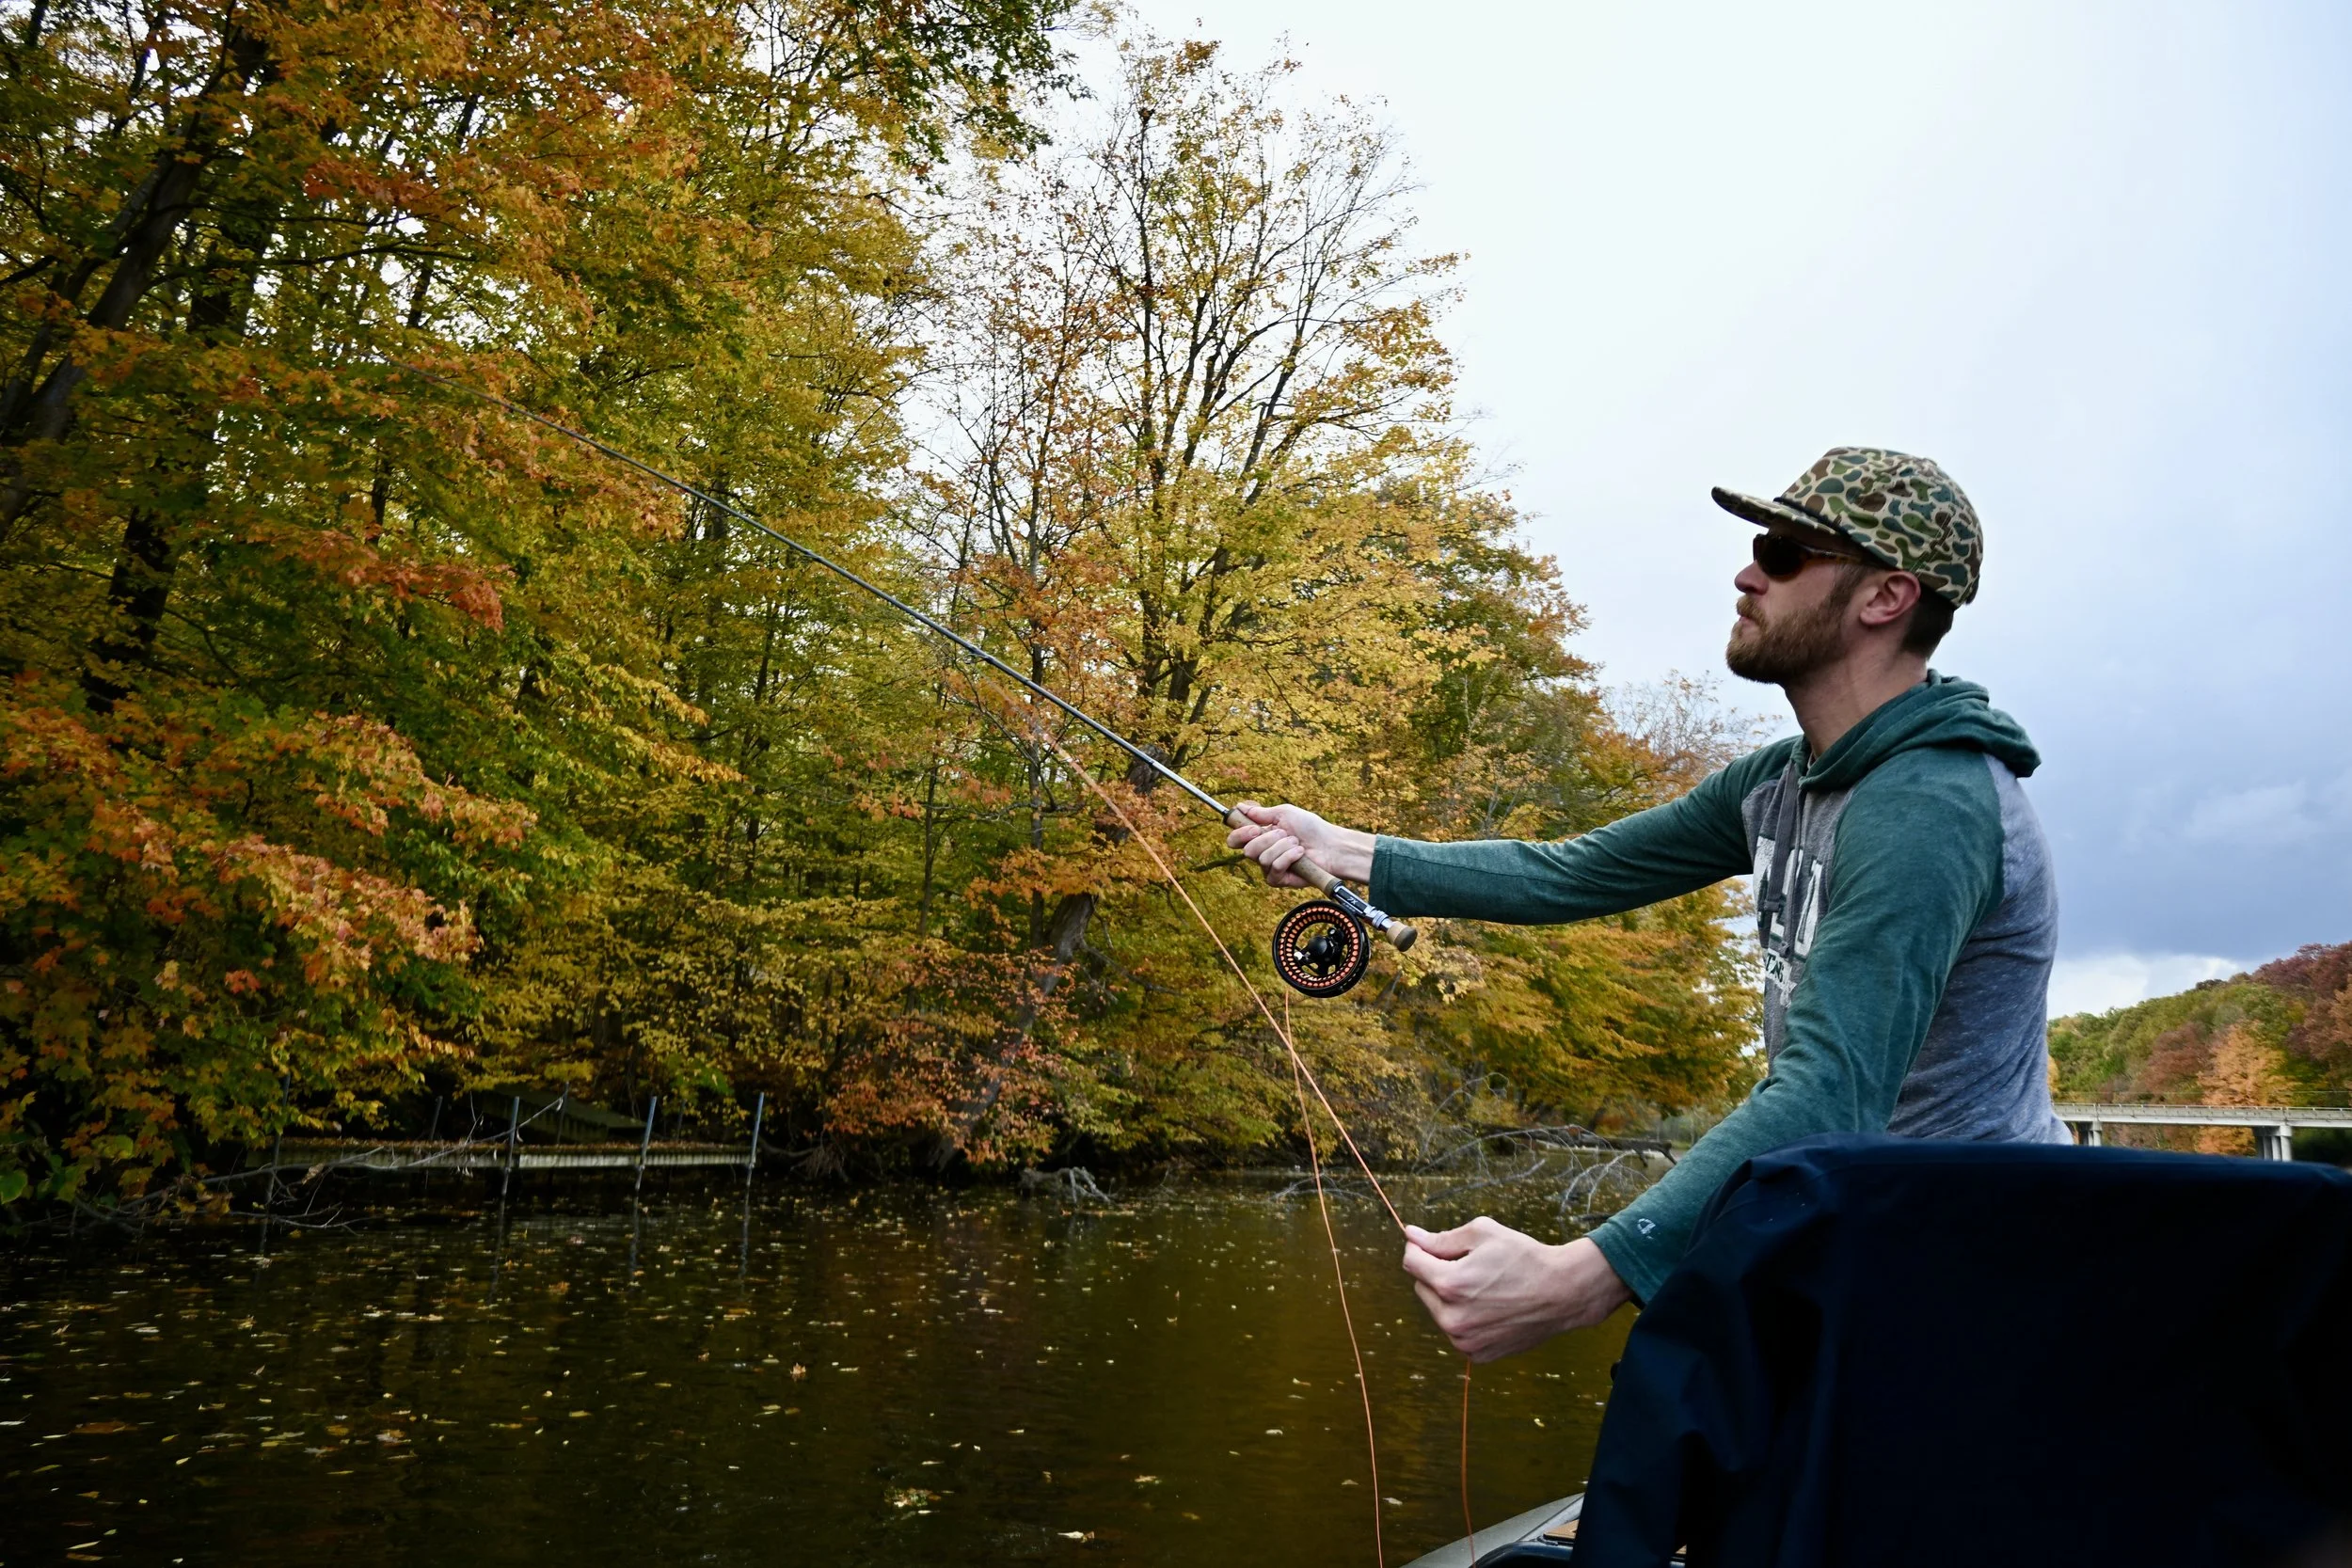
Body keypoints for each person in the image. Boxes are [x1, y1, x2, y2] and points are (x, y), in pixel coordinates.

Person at [1227, 446, 2071, 1361]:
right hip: (1863, 1240)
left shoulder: (1927, 811)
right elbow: (1571, 873)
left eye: (1785, 554)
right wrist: (1341, 849)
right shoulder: (1784, 782)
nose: (1746, 572)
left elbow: (1829, 1092)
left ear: (1884, 597)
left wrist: (1581, 1275)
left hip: (1975, 1274)